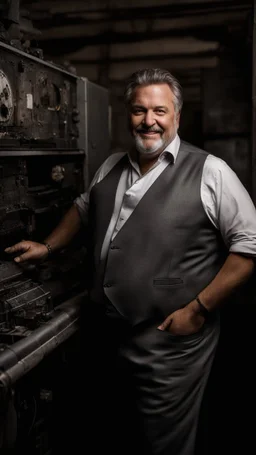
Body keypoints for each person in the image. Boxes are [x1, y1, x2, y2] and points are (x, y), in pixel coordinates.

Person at [5, 68, 256, 455]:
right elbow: (82, 209)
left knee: (163, 440)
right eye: (139, 111)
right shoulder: (110, 166)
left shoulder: (211, 171)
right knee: (115, 429)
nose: (149, 121)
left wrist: (199, 307)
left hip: (170, 337)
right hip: (109, 330)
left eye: (160, 110)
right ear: (129, 115)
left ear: (177, 116)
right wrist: (48, 247)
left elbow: (248, 248)